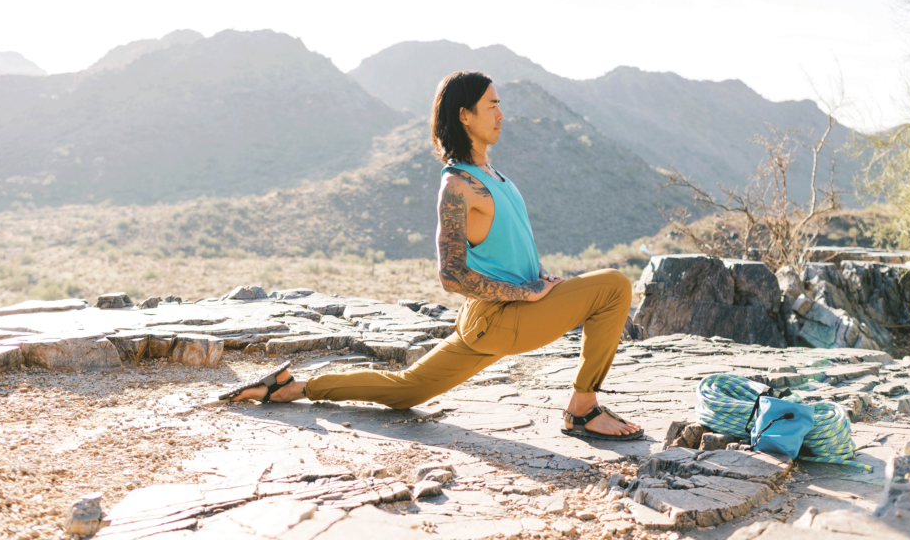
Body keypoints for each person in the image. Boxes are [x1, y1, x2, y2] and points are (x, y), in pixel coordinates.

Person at [224, 71, 642, 440]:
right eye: (492, 106)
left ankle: (293, 388)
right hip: (498, 317)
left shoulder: (496, 177)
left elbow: (508, 248)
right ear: (465, 115)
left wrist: (542, 279)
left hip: (500, 316)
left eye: (500, 106)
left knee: (408, 390)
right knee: (615, 286)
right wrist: (525, 295)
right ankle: (583, 409)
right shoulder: (458, 185)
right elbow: (451, 276)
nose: (501, 115)